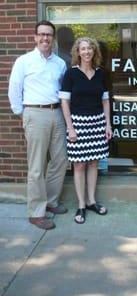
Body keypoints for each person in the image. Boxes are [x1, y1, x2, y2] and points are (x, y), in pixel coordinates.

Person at [8, 20, 68, 230]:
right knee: (36, 167)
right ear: (35, 37)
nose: (45, 38)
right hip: (34, 113)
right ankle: (36, 212)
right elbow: (14, 89)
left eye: (49, 35)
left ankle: (50, 202)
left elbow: (63, 91)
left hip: (57, 113)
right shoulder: (24, 61)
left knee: (60, 160)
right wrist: (23, 113)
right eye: (41, 34)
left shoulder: (59, 63)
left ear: (53, 38)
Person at [59, 37, 112, 224]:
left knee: (93, 164)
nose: (87, 51)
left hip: (97, 123)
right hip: (78, 124)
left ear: (94, 51)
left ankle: (92, 201)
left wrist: (108, 124)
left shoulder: (100, 74)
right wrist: (70, 127)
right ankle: (81, 205)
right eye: (83, 49)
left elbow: (105, 101)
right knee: (79, 165)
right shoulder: (71, 74)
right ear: (77, 52)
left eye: (90, 48)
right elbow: (64, 102)